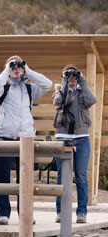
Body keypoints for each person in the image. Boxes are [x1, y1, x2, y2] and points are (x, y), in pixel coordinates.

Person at [0, 55, 52, 225]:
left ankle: (25, 214)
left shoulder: (29, 89)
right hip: (5, 136)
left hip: (25, 137)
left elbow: (48, 84)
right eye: (13, 66)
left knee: (24, 178)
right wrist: (7, 69)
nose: (16, 69)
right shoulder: (3, 87)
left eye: (19, 66)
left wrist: (28, 70)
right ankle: (3, 214)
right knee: (2, 177)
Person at [53, 65, 96, 224]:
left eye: (74, 75)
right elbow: (60, 102)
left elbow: (92, 101)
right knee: (62, 176)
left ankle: (81, 212)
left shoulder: (82, 91)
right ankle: (61, 212)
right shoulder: (59, 91)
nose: (71, 77)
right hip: (63, 136)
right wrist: (65, 82)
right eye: (68, 75)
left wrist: (82, 81)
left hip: (82, 136)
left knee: (81, 176)